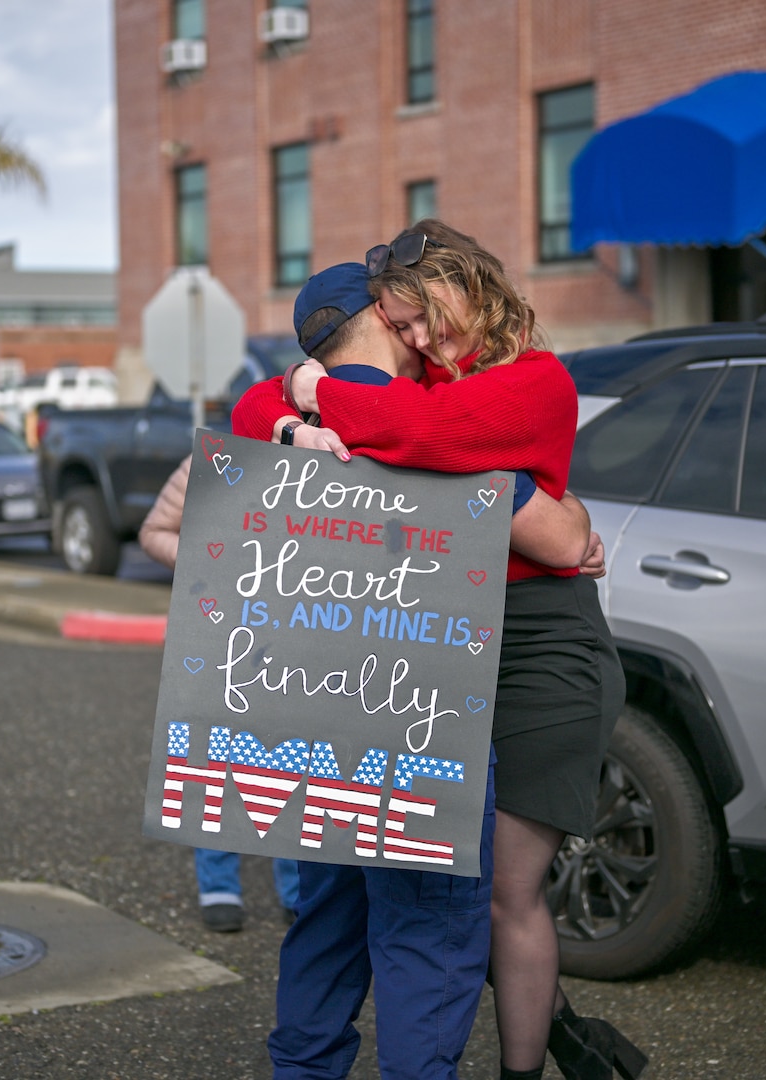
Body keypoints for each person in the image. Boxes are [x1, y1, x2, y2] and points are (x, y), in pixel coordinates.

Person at [235, 221, 645, 1080]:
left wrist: (312, 396)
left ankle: (523, 1065)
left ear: (456, 286)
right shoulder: (421, 380)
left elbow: (427, 436)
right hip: (430, 653)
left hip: (532, 645)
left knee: (489, 892)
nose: (418, 341)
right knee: (429, 896)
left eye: (419, 320)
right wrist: (291, 418)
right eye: (402, 328)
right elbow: (253, 412)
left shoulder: (531, 384)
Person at [139, 454, 301, 933]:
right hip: (218, 627)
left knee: (296, 756)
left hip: (303, 634)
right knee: (213, 753)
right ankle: (218, 884)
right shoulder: (213, 461)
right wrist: (218, 558)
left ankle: (296, 888)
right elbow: (154, 531)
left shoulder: (336, 459)